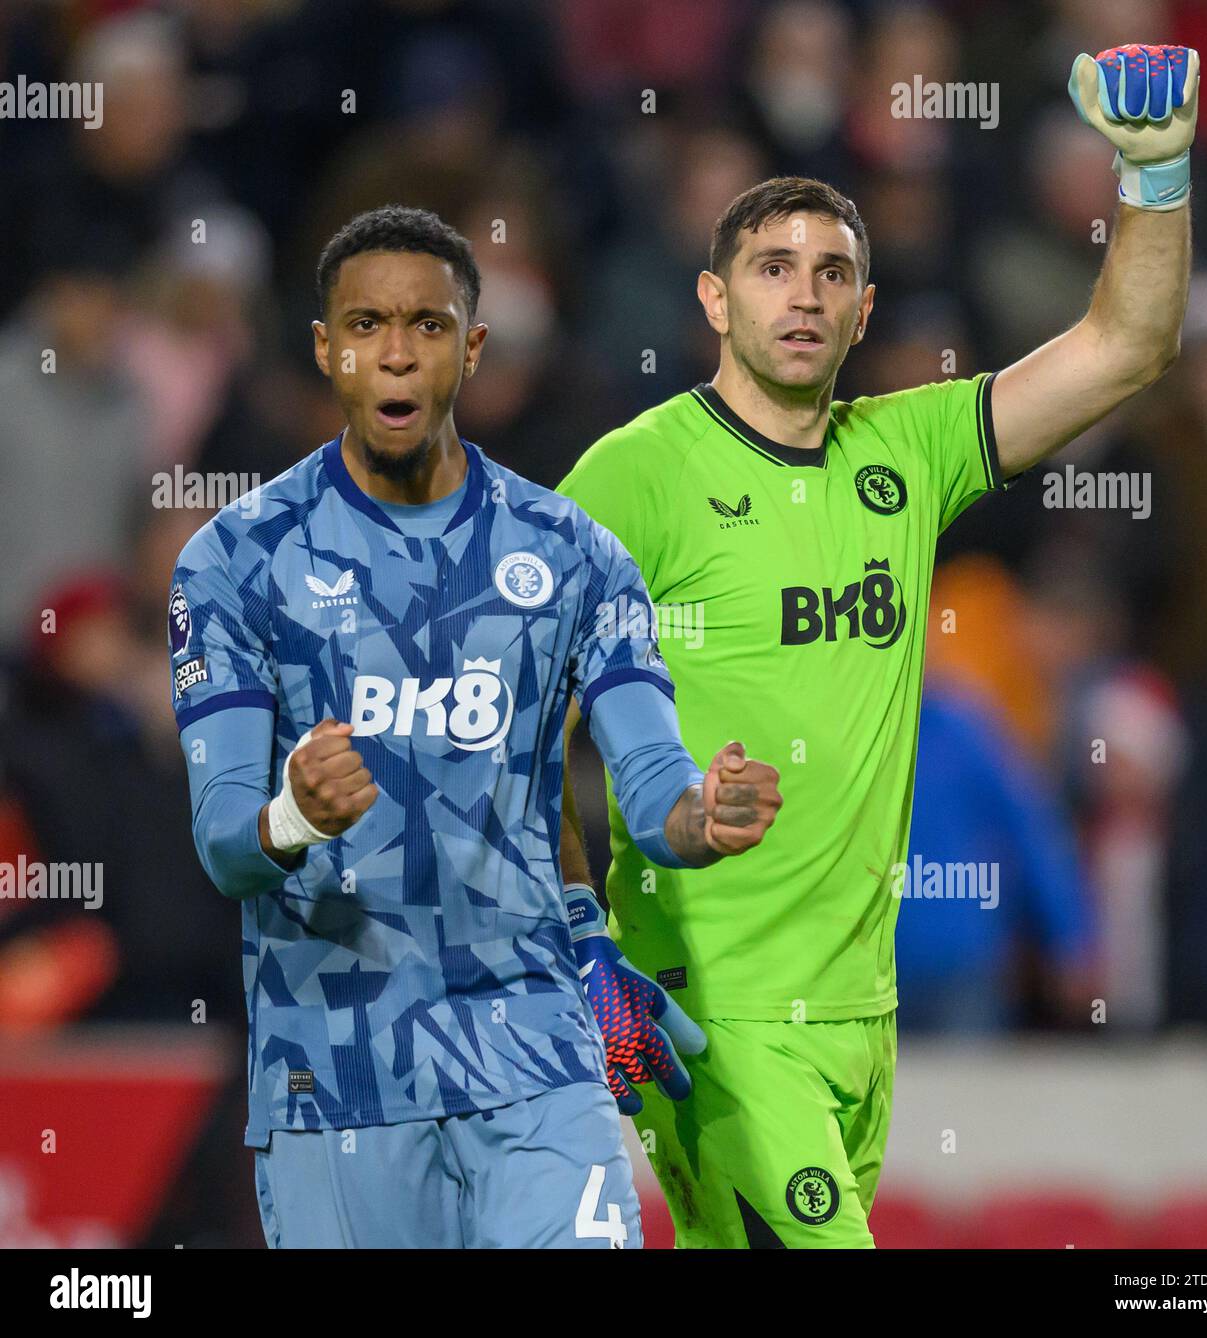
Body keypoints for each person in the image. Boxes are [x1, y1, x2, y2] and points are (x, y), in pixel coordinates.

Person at [556, 44, 1198, 1247]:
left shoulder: (906, 451)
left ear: (863, 307)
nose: (802, 294)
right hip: (711, 1010)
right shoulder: (631, 478)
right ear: (713, 299)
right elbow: (522, 720)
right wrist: (577, 932)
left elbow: (1125, 348)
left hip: (863, 1007)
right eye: (770, 268)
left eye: (831, 273)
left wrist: (1151, 178)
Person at [169, 205, 782, 1248]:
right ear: (325, 348)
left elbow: (647, 773)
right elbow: (227, 842)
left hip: (536, 1057)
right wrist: (294, 817)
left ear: (475, 345)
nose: (396, 354)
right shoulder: (234, 563)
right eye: (364, 326)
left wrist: (700, 815)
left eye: (428, 325)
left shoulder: (573, 553)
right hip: (336, 1077)